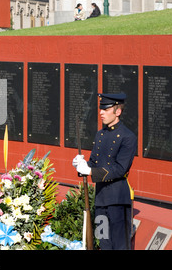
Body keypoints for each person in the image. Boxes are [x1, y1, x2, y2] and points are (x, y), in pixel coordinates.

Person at [72, 93, 137, 250]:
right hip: (101, 199)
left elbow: (120, 169)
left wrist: (90, 171)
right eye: (101, 108)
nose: (101, 112)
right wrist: (81, 164)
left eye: (106, 109)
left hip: (118, 199)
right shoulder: (100, 135)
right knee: (103, 242)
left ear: (117, 112)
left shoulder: (128, 137)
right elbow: (94, 162)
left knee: (120, 245)